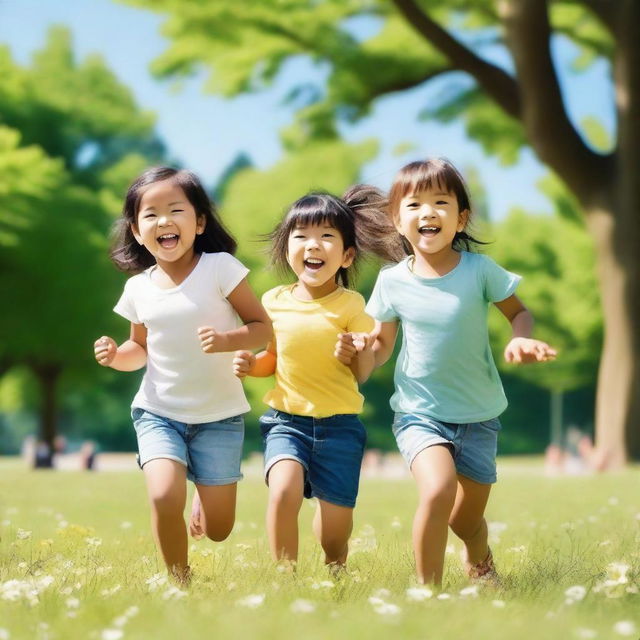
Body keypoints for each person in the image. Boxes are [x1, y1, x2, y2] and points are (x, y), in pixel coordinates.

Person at [364, 158, 556, 585]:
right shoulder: (392, 281)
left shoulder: (480, 271)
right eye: (414, 205)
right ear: (397, 219)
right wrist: (360, 351)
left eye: (440, 202)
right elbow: (380, 346)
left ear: (461, 217)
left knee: (465, 520)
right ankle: (428, 593)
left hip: (479, 415)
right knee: (436, 491)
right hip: (419, 412)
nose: (428, 212)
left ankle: (479, 561)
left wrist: (520, 338)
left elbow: (519, 313)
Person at [192, 188, 402, 570]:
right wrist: (248, 365)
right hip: (286, 422)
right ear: (287, 248)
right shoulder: (272, 302)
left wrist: (356, 351)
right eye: (301, 236)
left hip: (340, 428)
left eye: (326, 237)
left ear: (347, 255)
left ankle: (334, 561)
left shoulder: (353, 305)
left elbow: (365, 370)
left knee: (335, 532)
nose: (313, 245)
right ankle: (283, 575)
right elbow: (271, 359)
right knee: (283, 491)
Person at [94, 167, 271, 584]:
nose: (164, 221)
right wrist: (115, 355)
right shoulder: (139, 288)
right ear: (137, 231)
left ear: (200, 222)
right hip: (159, 411)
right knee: (161, 494)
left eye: (176, 210)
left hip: (219, 417)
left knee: (219, 529)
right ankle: (179, 581)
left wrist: (228, 341)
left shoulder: (221, 268)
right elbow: (139, 349)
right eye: (150, 214)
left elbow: (262, 327)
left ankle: (203, 496)